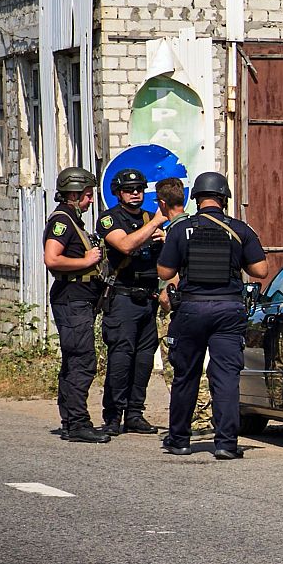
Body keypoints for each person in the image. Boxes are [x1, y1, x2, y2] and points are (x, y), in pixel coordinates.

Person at [156, 171, 268, 460]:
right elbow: (261, 271)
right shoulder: (240, 230)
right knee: (226, 376)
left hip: (191, 309)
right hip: (229, 310)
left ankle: (179, 440)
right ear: (224, 198)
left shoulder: (181, 230)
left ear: (196, 198)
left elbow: (165, 273)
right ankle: (226, 443)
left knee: (186, 375)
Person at [41, 167, 111, 443]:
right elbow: (52, 259)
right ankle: (78, 422)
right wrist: (86, 261)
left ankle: (71, 420)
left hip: (79, 299)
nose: (91, 199)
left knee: (75, 359)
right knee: (82, 360)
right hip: (72, 298)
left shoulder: (73, 220)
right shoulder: (62, 220)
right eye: (87, 194)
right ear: (74, 193)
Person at [98, 168, 169, 435]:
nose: (136, 194)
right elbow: (125, 246)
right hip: (123, 297)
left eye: (139, 189)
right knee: (121, 357)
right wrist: (154, 226)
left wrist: (165, 236)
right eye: (130, 190)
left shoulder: (151, 219)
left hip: (148, 296)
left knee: (143, 360)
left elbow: (166, 259)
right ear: (118, 193)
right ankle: (113, 415)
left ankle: (135, 413)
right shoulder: (109, 219)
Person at [153, 178, 213, 438]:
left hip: (178, 309)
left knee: (179, 368)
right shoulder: (193, 227)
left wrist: (165, 298)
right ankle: (202, 419)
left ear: (162, 203)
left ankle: (196, 421)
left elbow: (174, 276)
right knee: (192, 365)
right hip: (202, 306)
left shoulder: (176, 232)